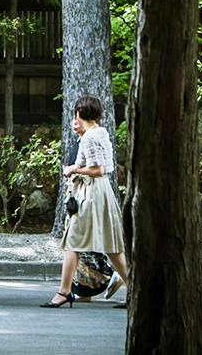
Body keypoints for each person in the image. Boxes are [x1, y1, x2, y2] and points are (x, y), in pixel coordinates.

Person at [42, 96, 130, 309]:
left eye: (76, 113)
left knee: (73, 240)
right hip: (101, 192)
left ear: (81, 113)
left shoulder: (91, 137)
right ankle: (136, 290)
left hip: (90, 193)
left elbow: (97, 169)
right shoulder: (99, 133)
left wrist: (73, 169)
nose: (75, 118)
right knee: (111, 244)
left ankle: (64, 292)